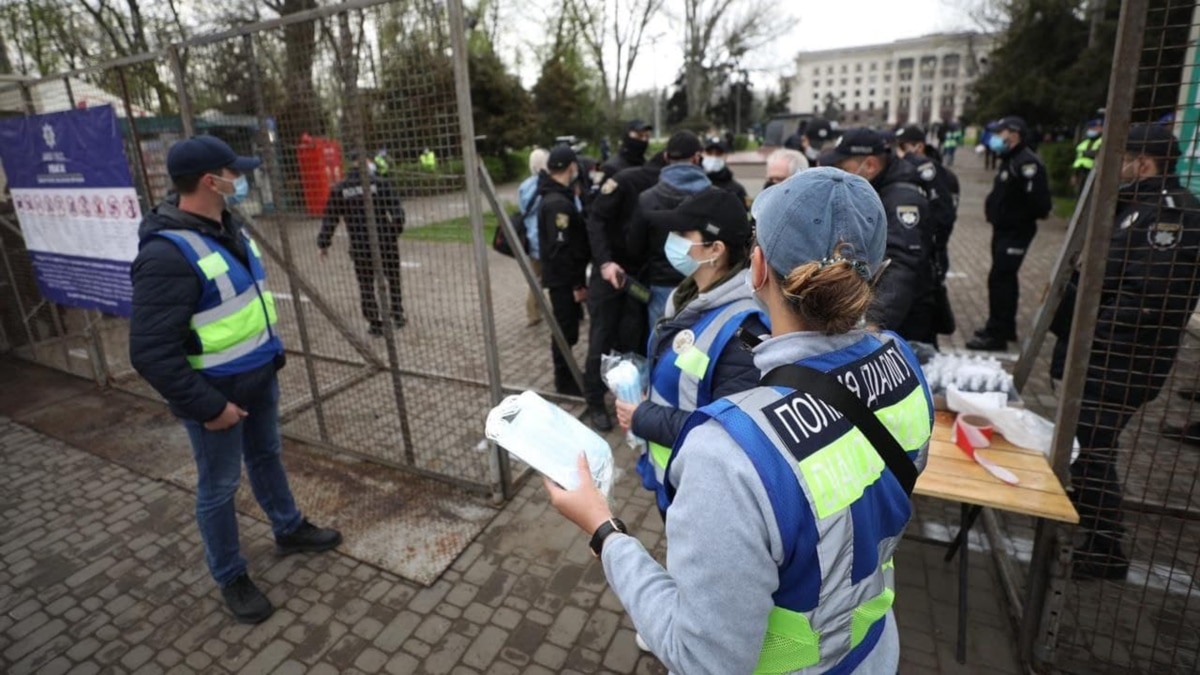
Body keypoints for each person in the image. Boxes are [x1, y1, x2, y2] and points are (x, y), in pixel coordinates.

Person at [544, 167, 933, 674]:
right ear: (875, 272)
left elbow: (701, 658)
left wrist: (602, 530)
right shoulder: (903, 363)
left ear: (757, 266)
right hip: (873, 650)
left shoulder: (730, 451)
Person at [129, 136, 341, 624]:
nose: (239, 179)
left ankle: (288, 529)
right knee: (219, 487)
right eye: (233, 171)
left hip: (258, 376)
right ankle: (230, 575)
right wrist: (209, 408)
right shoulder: (166, 254)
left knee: (266, 456)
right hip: (216, 400)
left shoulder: (226, 226)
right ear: (211, 181)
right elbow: (149, 353)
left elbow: (245, 305)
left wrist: (271, 354)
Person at [1049, 124, 1200, 580]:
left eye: (1120, 157)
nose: (1110, 166)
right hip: (1102, 354)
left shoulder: (1170, 217)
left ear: (1143, 162)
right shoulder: (1139, 206)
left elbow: (1149, 300)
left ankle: (1106, 546)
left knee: (1093, 448)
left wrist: (1089, 338)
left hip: (1122, 360)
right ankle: (1090, 512)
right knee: (1086, 446)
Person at [614, 188, 768, 516]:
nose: (673, 239)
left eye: (684, 234)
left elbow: (728, 430)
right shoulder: (684, 298)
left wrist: (643, 416)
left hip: (699, 493)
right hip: (670, 475)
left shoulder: (746, 329)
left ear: (715, 249)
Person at [821, 128, 938, 345]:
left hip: (904, 319)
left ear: (871, 165)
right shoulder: (876, 189)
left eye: (844, 169)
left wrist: (874, 322)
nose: (840, 176)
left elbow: (900, 265)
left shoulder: (901, 199)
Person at [582, 150, 667, 432]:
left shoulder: (665, 186)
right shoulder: (625, 181)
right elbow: (595, 221)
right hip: (609, 273)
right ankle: (594, 400)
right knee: (601, 337)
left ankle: (627, 394)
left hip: (637, 276)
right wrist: (605, 262)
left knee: (633, 337)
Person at [968, 116, 1052, 351]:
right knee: (1005, 278)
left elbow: (1040, 203)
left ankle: (997, 335)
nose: (996, 137)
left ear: (1014, 134)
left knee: (1000, 279)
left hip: (1015, 231)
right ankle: (1005, 327)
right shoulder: (1011, 159)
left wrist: (1017, 217)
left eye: (1000, 132)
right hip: (1004, 230)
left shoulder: (1027, 163)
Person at [627, 130, 711, 330]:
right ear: (696, 158)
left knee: (661, 347)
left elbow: (634, 248)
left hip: (661, 285)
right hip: (705, 283)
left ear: (665, 157)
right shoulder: (713, 196)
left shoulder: (647, 198)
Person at [318, 152, 407, 336]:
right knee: (393, 278)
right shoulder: (380, 183)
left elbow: (330, 219)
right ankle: (397, 313)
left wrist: (324, 242)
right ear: (366, 162)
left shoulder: (340, 189)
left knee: (366, 284)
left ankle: (375, 324)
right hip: (384, 240)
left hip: (359, 243)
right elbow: (397, 211)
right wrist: (393, 232)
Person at [538, 146, 591, 396]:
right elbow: (561, 250)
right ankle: (565, 381)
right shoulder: (558, 203)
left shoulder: (558, 195)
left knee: (567, 329)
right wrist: (575, 286)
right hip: (563, 281)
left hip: (564, 278)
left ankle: (568, 374)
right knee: (564, 330)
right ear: (571, 166)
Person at [518, 148, 550, 327]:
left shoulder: (524, 186)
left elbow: (523, 209)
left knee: (535, 277)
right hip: (546, 238)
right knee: (550, 277)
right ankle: (538, 310)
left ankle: (533, 312)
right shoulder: (550, 184)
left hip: (531, 239)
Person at [599, 119, 653, 184]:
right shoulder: (610, 168)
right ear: (627, 137)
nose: (643, 140)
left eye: (647, 137)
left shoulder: (647, 166)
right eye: (639, 136)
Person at [702, 137, 749, 208]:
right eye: (709, 153)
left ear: (725, 156)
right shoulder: (694, 184)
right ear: (703, 154)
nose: (714, 157)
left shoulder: (736, 189)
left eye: (718, 154)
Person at [1071, 118, 1104, 196]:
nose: (1092, 130)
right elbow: (1078, 160)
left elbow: (1098, 154)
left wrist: (1087, 153)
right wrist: (1075, 174)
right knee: (1080, 195)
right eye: (1091, 128)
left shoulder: (1102, 141)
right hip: (1081, 172)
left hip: (1094, 173)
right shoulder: (1084, 143)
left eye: (1095, 128)